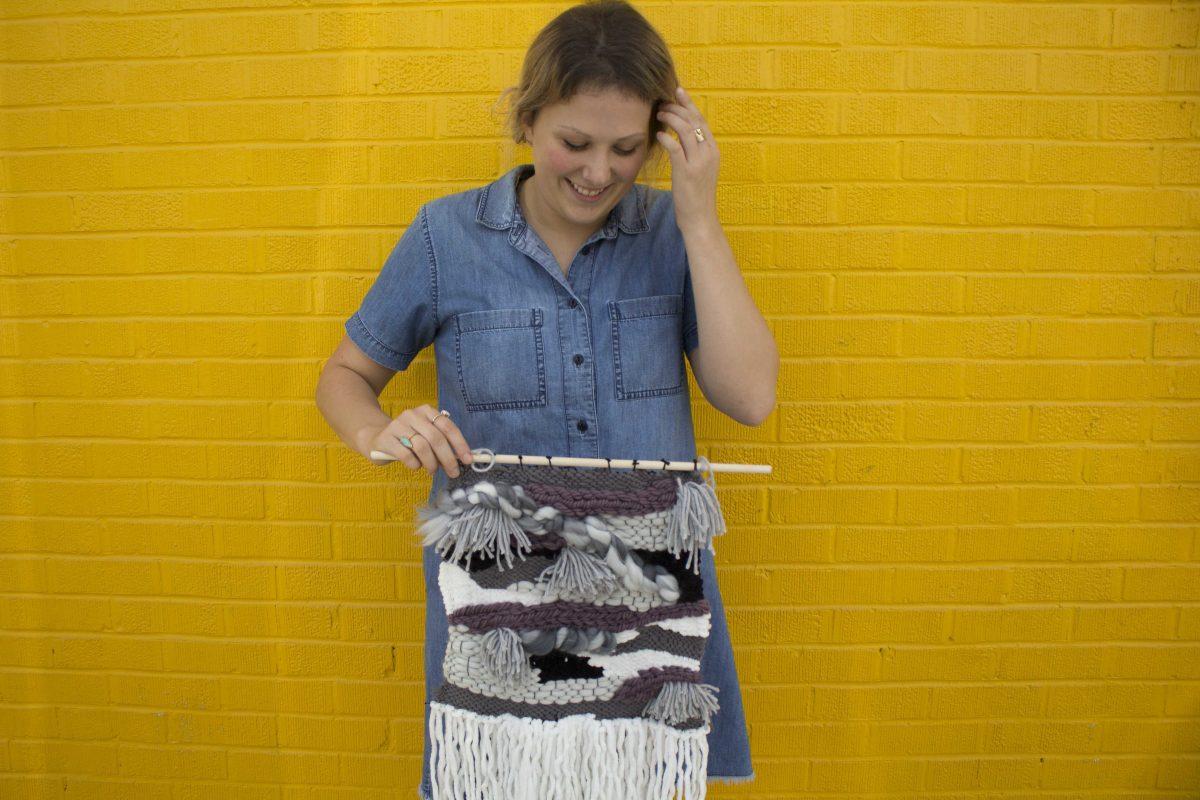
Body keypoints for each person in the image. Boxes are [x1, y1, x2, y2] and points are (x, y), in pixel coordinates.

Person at [314, 1, 778, 796]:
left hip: (647, 603)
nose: (599, 172)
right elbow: (344, 377)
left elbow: (751, 398)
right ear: (527, 121)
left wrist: (699, 217)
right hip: (500, 601)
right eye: (575, 142)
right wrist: (381, 432)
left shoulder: (670, 230)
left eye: (627, 149)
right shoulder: (445, 237)